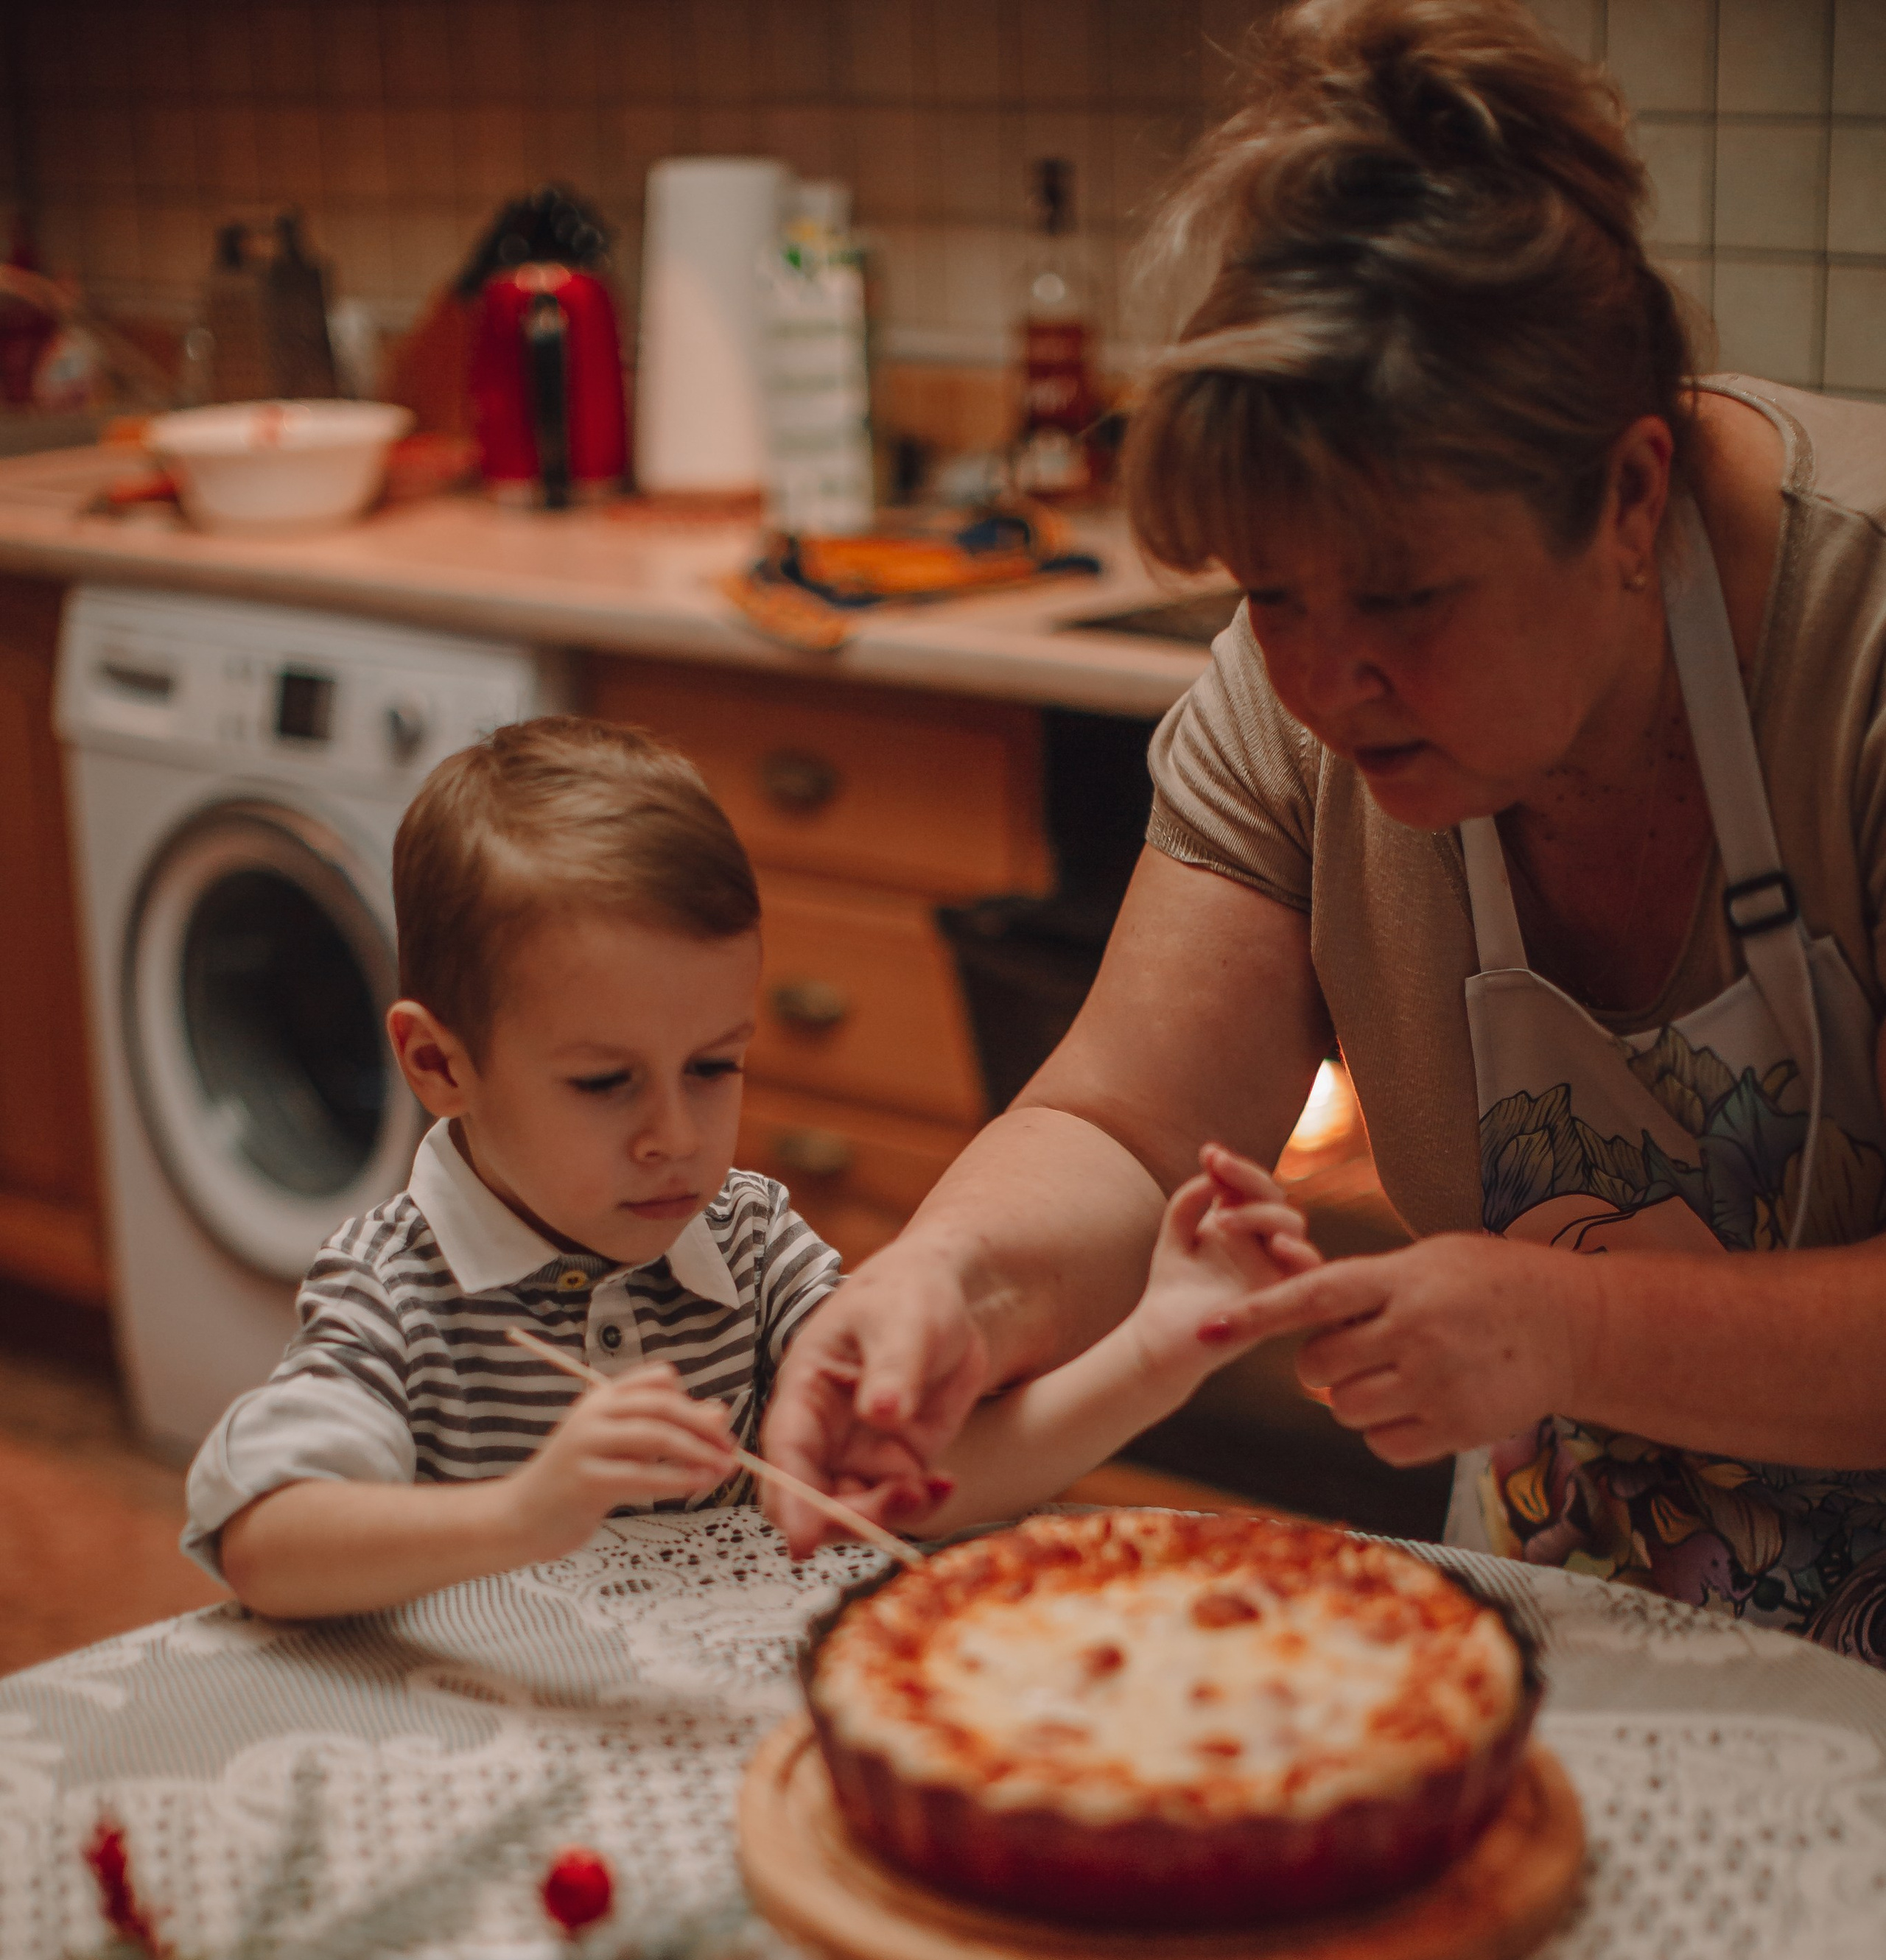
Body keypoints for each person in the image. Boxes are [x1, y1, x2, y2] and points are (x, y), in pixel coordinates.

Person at [761, 0, 1886, 1655]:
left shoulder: (1856, 643)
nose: (1319, 678)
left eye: (1406, 595)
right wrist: (942, 1284)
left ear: (1629, 498)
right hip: (1557, 1609)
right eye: (1268, 592)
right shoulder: (1289, 689)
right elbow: (1123, 1129)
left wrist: (1565, 1321)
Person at [188, 717, 1315, 1621]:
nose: (674, 1135)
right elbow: (265, 1542)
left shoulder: (751, 1242)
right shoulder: (394, 1286)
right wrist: (524, 1512)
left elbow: (920, 1486)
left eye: (715, 1066)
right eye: (603, 1083)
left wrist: (1159, 1353)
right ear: (440, 1063)